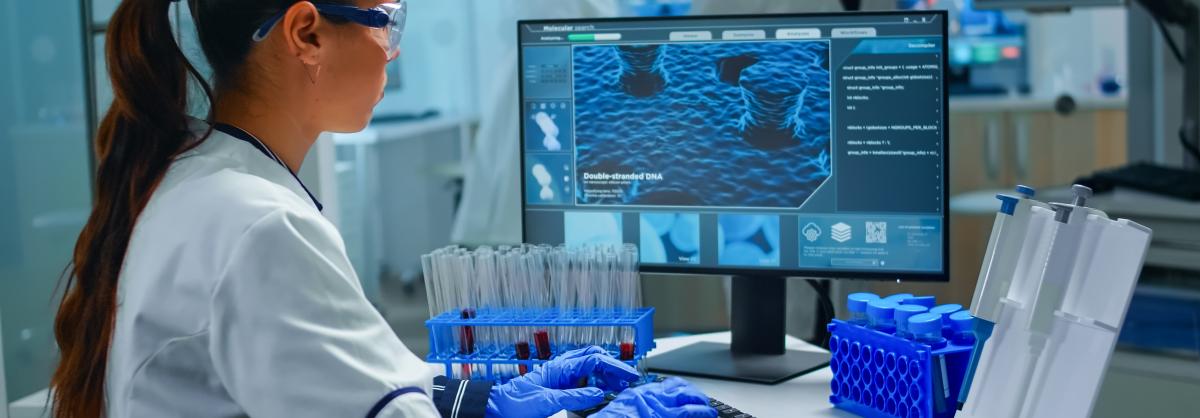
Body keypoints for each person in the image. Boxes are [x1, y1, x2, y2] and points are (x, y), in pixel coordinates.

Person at [48, 1, 715, 417]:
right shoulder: (257, 227)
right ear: (306, 32)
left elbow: (332, 386)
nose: (393, 49)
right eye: (388, 20)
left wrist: (484, 397)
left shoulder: (199, 182)